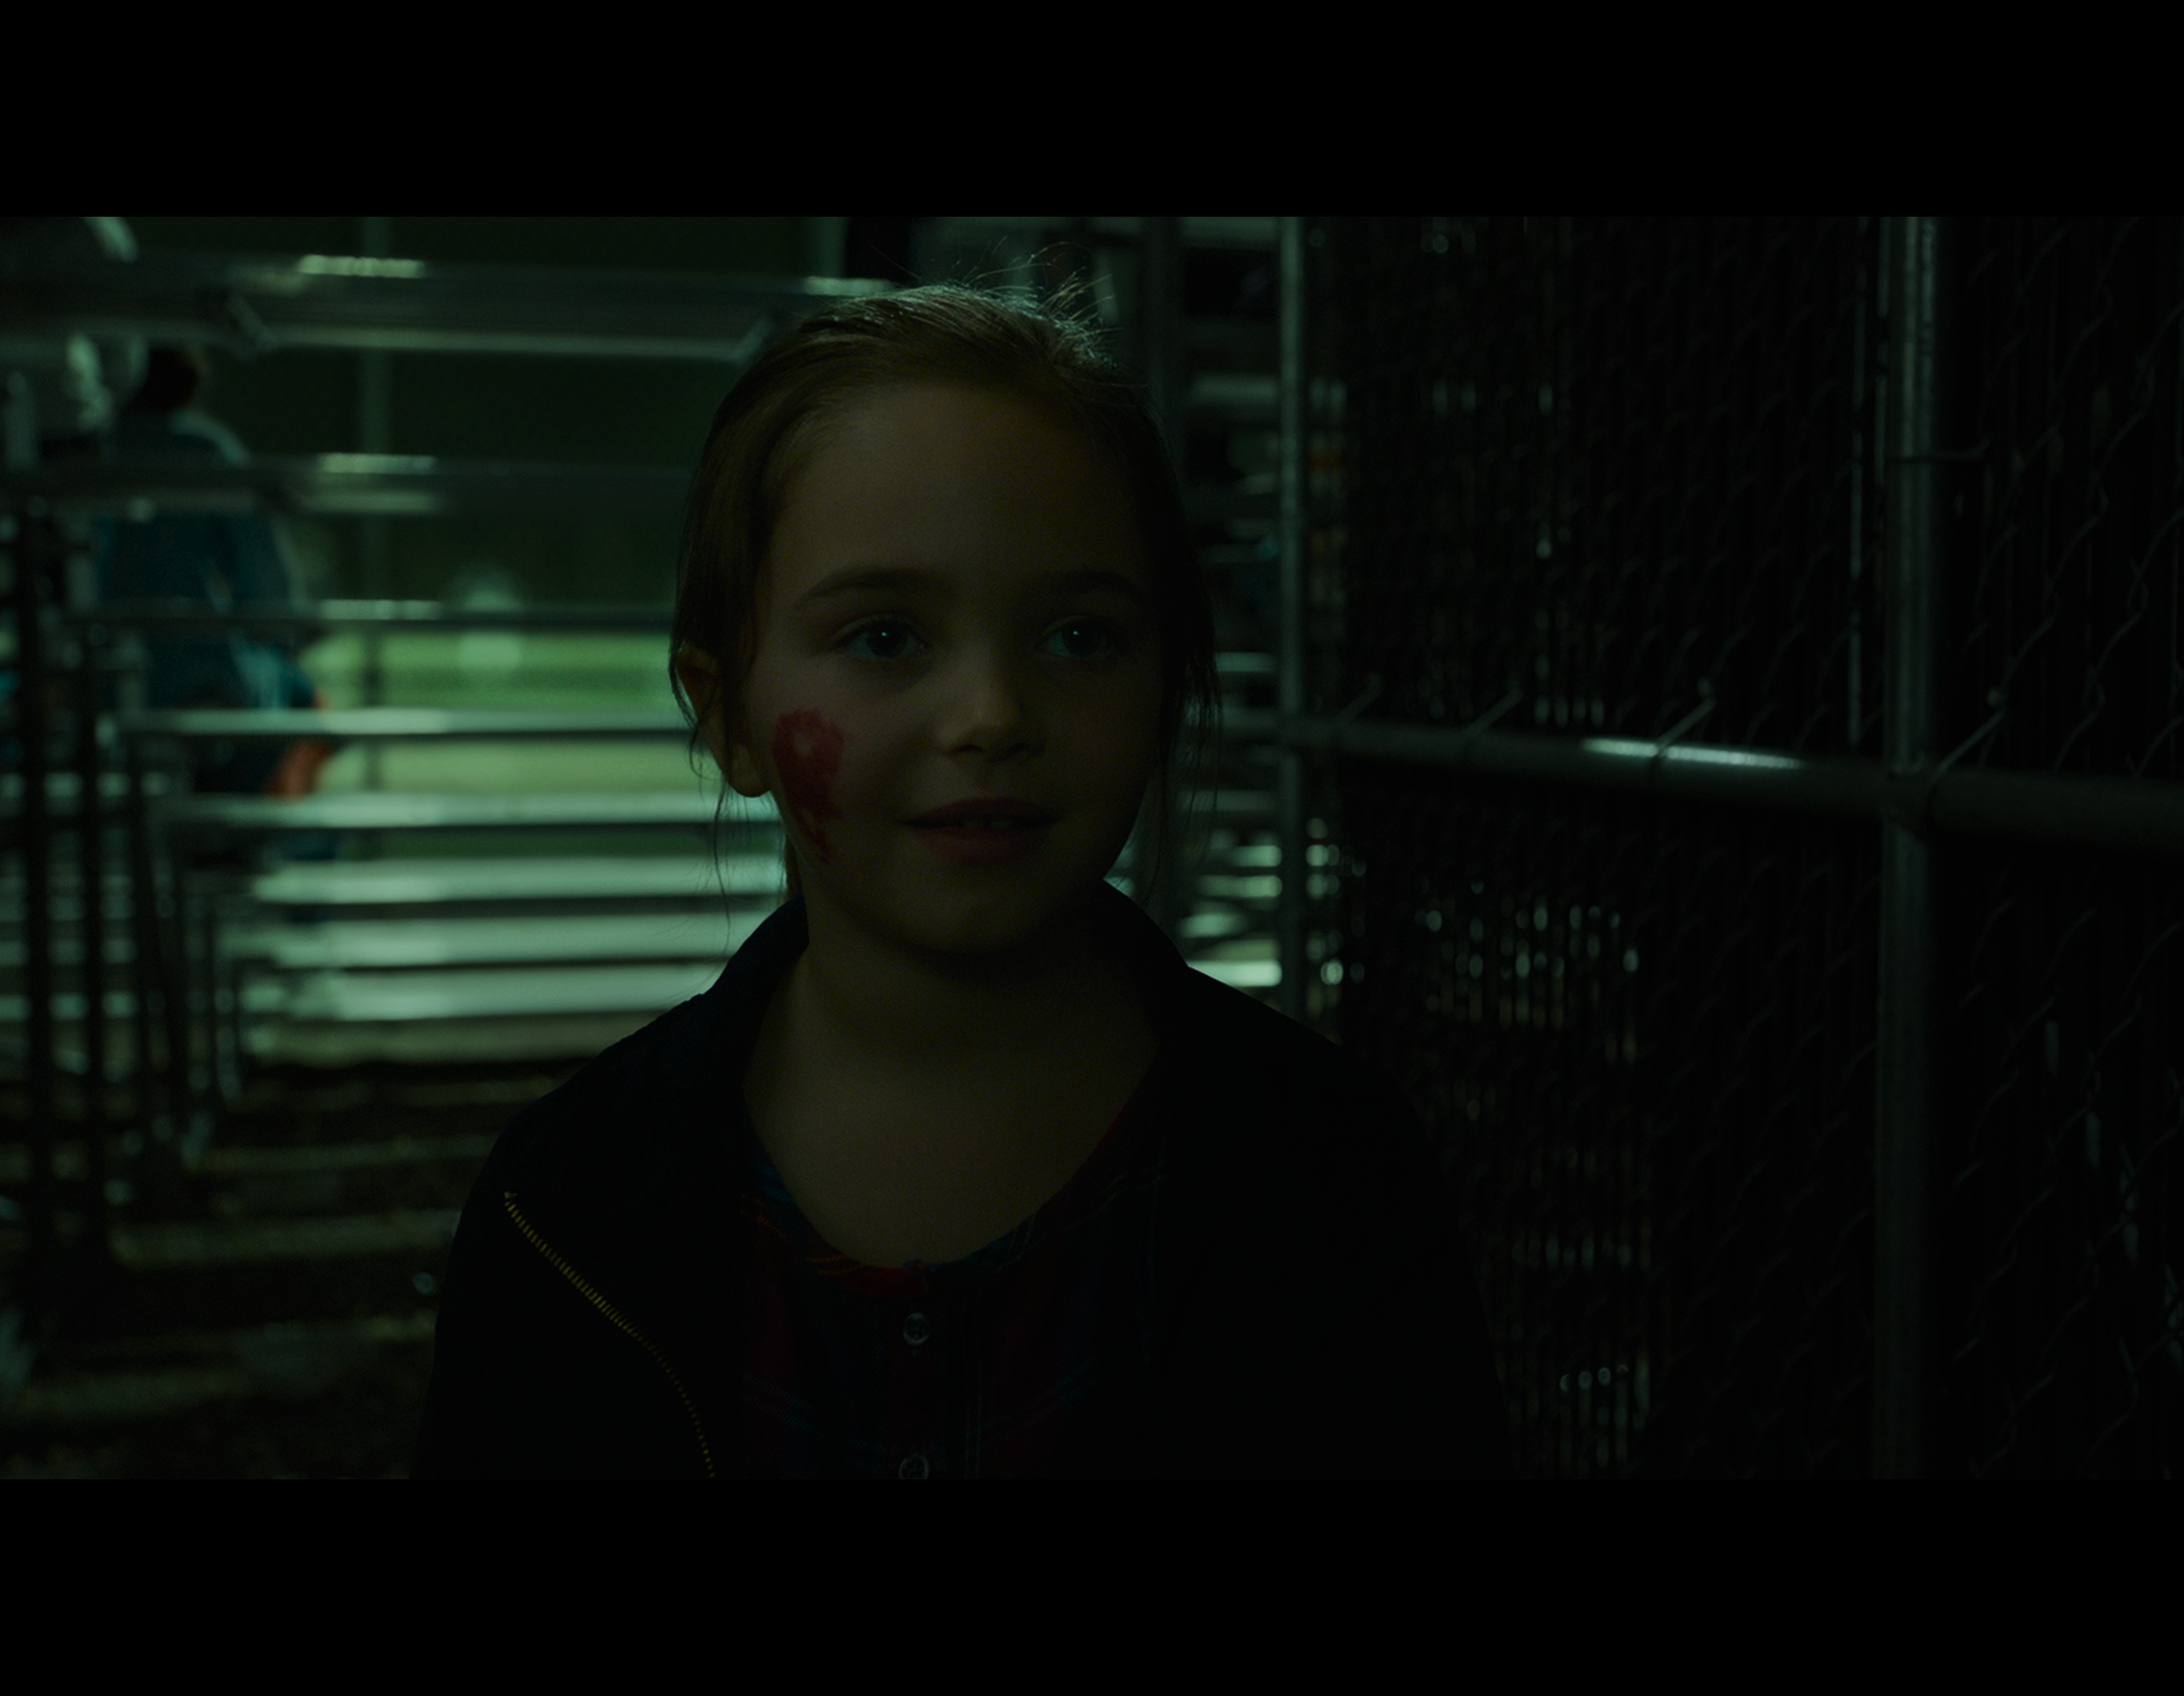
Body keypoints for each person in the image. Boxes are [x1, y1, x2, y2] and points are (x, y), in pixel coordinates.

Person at [413, 284, 1512, 1478]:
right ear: (727, 713)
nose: (992, 714)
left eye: (1079, 635)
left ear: (1167, 687)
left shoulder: (1335, 1184)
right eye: (884, 635)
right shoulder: (565, 1210)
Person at [96, 345, 331, 798]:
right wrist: (281, 642)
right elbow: (268, 587)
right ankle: (236, 824)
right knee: (297, 694)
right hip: (199, 679)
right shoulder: (207, 451)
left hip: (100, 677)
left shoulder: (93, 450)